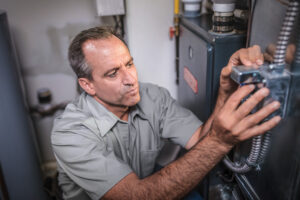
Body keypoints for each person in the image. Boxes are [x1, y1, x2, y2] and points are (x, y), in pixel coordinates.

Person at [51, 26, 281, 200]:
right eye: (113, 73)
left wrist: (225, 93)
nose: (131, 80)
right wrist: (219, 141)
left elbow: (201, 139)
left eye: (129, 64)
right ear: (88, 85)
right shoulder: (70, 134)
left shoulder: (152, 97)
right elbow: (136, 196)